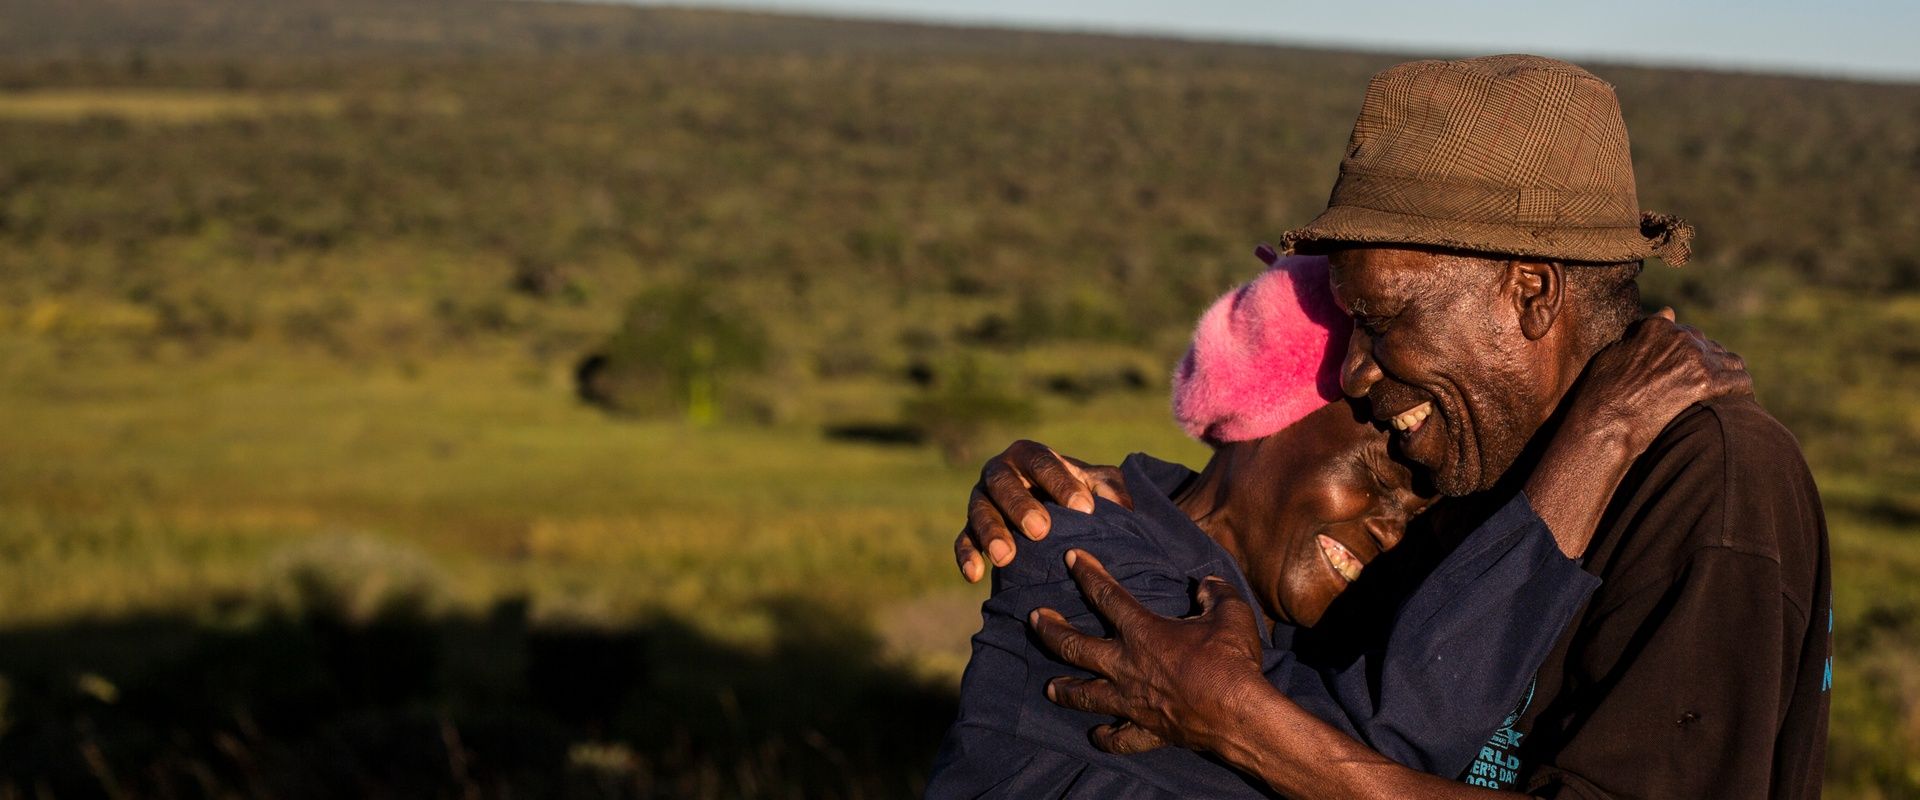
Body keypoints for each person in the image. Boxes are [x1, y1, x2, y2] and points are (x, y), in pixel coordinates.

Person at [954, 55, 1830, 798]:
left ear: (1531, 292)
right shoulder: (1474, 471)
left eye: (1383, 320)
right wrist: (1082, 497)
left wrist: (1237, 720)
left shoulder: (1710, 482)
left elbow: (1388, 726)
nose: (1356, 371)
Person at [927, 253, 1746, 798]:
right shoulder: (1081, 553)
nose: (1393, 530)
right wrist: (1603, 434)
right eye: (1383, 469)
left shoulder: (1286, 624)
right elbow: (1390, 741)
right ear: (1262, 409)